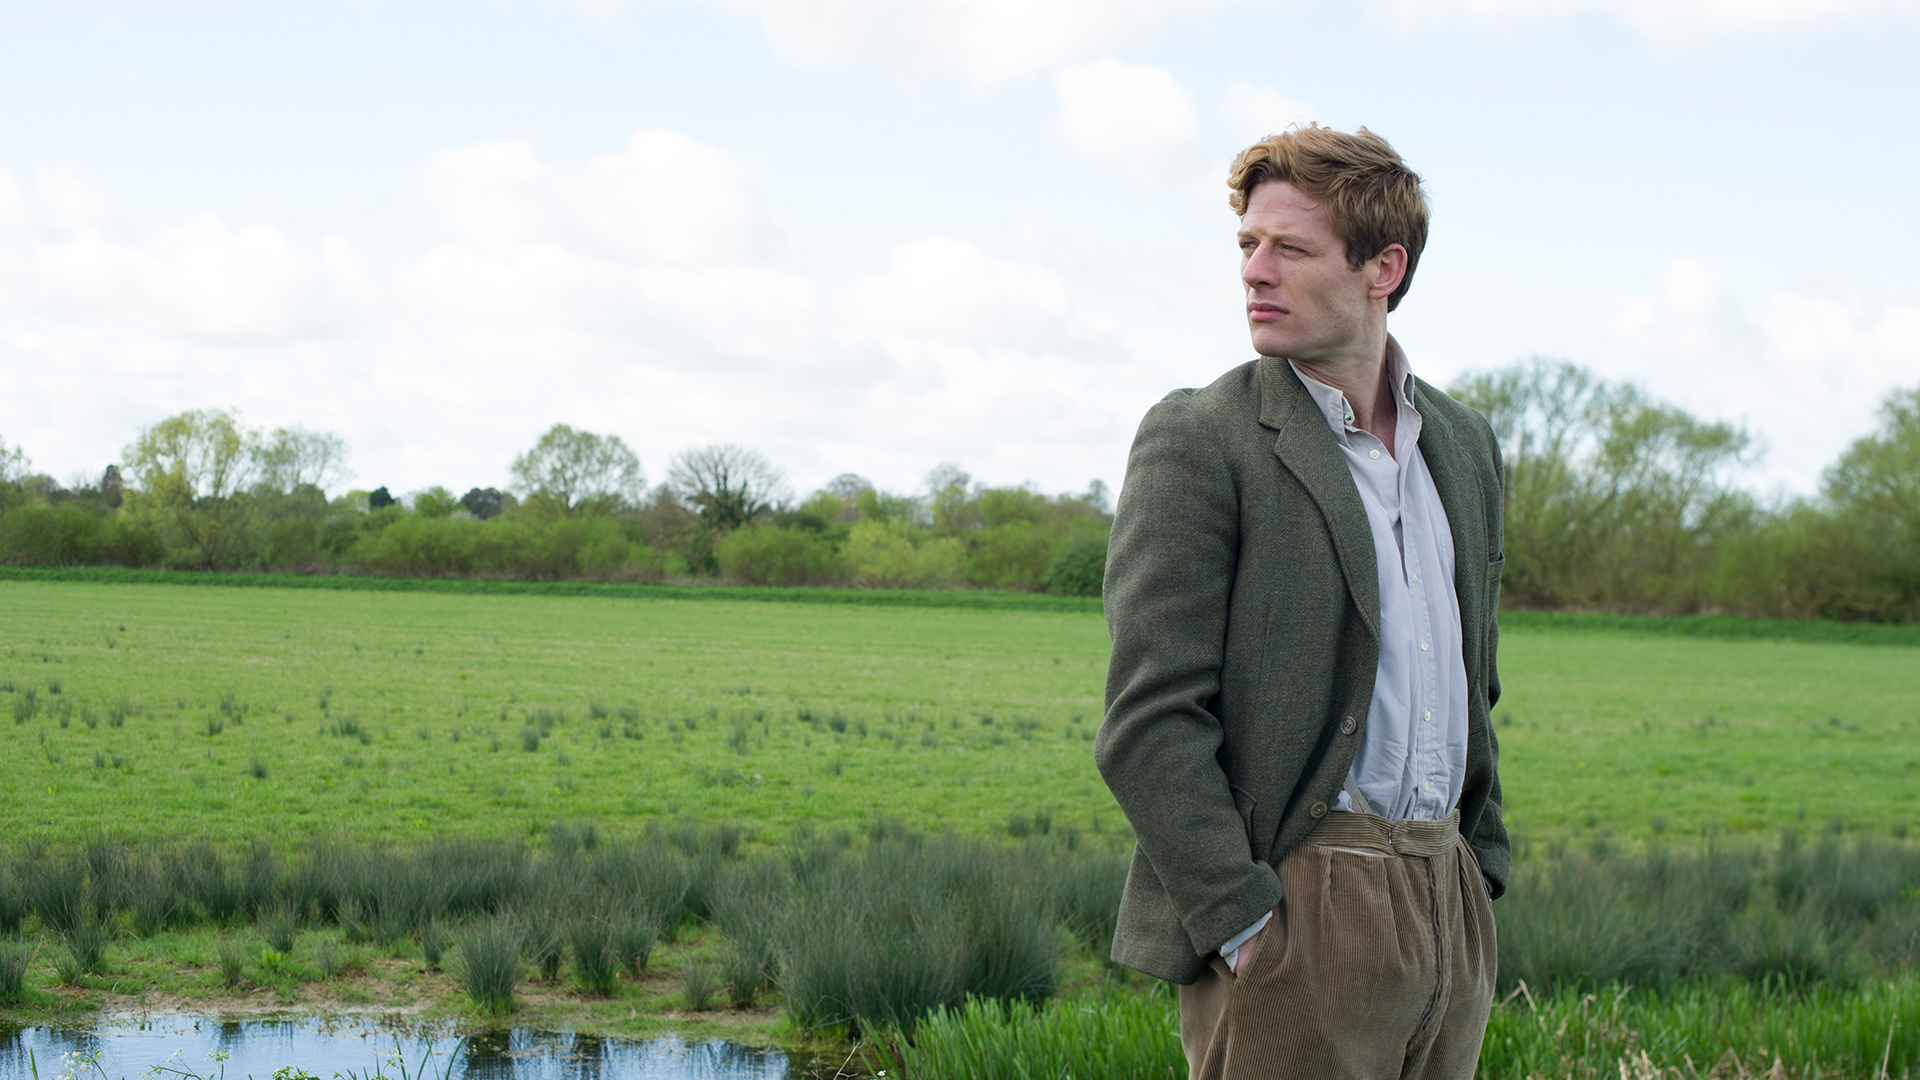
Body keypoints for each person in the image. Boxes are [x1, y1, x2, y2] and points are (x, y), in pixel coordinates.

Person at [1095, 124, 1510, 1080]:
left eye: (1291, 247)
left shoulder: (1464, 445)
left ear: (1382, 269)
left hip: (1447, 902)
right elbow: (1149, 722)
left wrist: (1477, 868)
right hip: (1294, 908)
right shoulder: (1202, 438)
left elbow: (1473, 678)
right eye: (1248, 244)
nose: (1254, 271)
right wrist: (1245, 925)